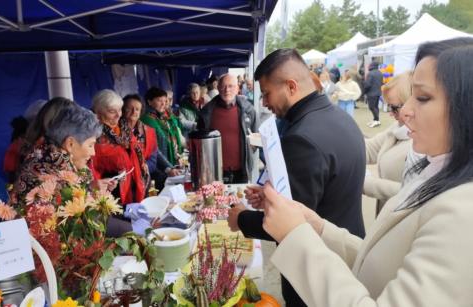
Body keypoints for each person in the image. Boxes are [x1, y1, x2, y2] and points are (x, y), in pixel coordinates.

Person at [259, 37, 473, 307]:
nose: (405, 111)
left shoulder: (463, 212)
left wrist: (295, 237)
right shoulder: (434, 173)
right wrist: (319, 228)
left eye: (422, 97)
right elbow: (380, 261)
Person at [229, 49, 366, 306]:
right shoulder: (340, 118)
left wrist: (241, 218)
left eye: (267, 93)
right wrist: (272, 196)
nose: (265, 103)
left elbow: (291, 222)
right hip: (348, 248)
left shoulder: (302, 138)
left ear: (291, 86)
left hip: (319, 265)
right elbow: (322, 188)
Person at [12, 104, 101, 205]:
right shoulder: (55, 180)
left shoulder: (45, 154)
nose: (93, 153)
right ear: (70, 144)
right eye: (90, 145)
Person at [364, 71, 415, 213]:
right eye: (388, 106)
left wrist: (365, 183)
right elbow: (369, 148)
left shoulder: (423, 142)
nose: (390, 113)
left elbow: (414, 194)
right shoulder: (398, 128)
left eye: (394, 108)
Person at [198, 74, 258, 184]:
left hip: (241, 172)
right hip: (214, 173)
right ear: (218, 88)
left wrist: (248, 150)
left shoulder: (249, 110)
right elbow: (200, 143)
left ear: (237, 89)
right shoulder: (206, 113)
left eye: (231, 86)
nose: (227, 90)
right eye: (223, 86)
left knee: (240, 201)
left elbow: (256, 138)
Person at [92, 89, 149, 205]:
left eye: (119, 110)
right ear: (98, 112)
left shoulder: (124, 127)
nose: (118, 115)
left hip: (135, 186)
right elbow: (92, 168)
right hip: (113, 193)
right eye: (112, 111)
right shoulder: (95, 135)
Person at [122, 94, 180, 190]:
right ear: (123, 110)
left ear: (140, 112)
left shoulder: (146, 131)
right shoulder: (116, 133)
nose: (133, 112)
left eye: (137, 109)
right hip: (125, 180)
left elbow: (154, 153)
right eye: (129, 108)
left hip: (146, 175)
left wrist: (168, 168)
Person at [141, 87, 183, 165]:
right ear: (149, 102)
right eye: (159, 100)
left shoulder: (162, 116)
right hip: (160, 165)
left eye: (165, 100)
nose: (163, 104)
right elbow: (156, 148)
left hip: (170, 163)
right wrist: (168, 167)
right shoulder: (147, 119)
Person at [3, 116, 28, 183]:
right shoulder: (17, 142)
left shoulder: (15, 140)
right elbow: (21, 152)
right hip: (12, 168)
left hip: (11, 167)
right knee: (14, 183)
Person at [364, 61, 384, 128]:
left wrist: (364, 91)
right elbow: (381, 83)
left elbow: (367, 85)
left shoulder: (370, 73)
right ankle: (376, 120)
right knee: (375, 107)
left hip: (371, 93)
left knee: (372, 107)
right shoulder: (380, 73)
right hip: (378, 92)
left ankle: (376, 120)